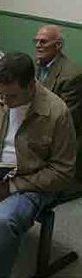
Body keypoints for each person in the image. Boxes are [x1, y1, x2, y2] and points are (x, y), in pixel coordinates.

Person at [0, 53, 78, 278]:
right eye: (2, 93)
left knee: (3, 221)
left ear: (31, 86)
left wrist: (11, 187)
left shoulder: (56, 112)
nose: (5, 101)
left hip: (30, 183)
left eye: (11, 96)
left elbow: (63, 171)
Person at [33, 25, 82, 176]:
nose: (37, 45)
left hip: (56, 137)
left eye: (43, 42)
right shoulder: (35, 65)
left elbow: (66, 120)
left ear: (58, 45)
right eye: (36, 41)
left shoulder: (72, 75)